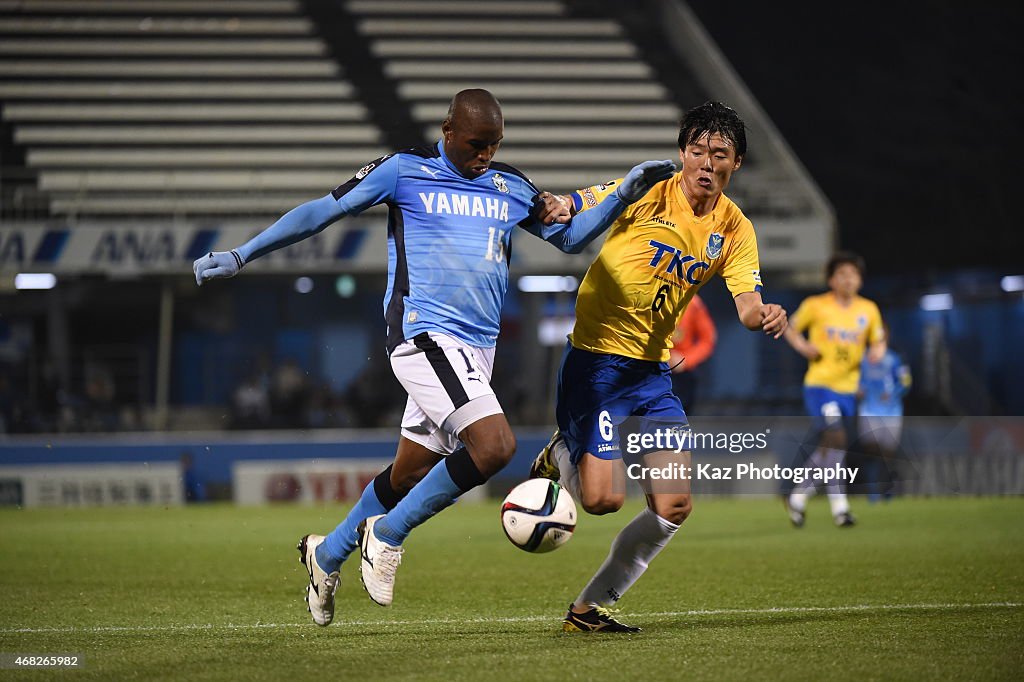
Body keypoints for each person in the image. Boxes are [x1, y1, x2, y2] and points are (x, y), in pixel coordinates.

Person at [193, 88, 676, 626]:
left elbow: (569, 239)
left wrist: (623, 194)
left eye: (494, 145)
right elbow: (319, 213)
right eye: (476, 144)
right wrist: (242, 253)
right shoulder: (403, 171)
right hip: (423, 337)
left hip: (477, 350)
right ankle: (388, 535)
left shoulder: (509, 184)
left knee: (406, 474)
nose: (485, 155)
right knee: (494, 448)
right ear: (447, 130)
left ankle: (325, 554)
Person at [530, 101, 788, 632]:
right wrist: (557, 203)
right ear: (682, 154)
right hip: (597, 363)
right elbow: (580, 203)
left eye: (720, 154)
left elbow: (744, 305)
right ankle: (561, 449)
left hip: (652, 373)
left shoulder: (735, 229)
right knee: (602, 501)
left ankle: (587, 610)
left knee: (673, 505)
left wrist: (764, 313)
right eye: (698, 152)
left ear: (735, 163)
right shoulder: (648, 188)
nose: (707, 164)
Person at [782, 252, 885, 528]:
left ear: (860, 280)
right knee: (837, 437)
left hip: (848, 389)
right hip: (820, 385)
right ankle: (840, 507)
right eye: (842, 274)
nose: (848, 279)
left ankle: (799, 495)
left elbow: (878, 339)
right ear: (831, 279)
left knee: (831, 445)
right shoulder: (816, 305)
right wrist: (803, 346)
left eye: (853, 274)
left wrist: (877, 350)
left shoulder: (868, 310)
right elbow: (789, 327)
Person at [857, 321, 911, 501]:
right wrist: (857, 390)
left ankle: (888, 492)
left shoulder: (895, 359)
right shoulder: (862, 359)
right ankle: (873, 495)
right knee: (871, 452)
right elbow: (854, 381)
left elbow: (906, 382)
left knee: (888, 455)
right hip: (869, 411)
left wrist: (894, 393)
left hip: (891, 412)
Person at [668, 293, 717, 413]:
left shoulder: (693, 303)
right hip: (648, 370)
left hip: (681, 376)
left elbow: (708, 339)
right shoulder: (646, 294)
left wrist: (685, 360)